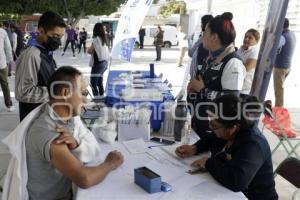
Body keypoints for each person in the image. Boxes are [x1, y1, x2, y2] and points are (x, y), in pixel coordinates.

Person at [25, 66, 123, 199]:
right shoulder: (51, 133)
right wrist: (109, 164)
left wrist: (77, 144)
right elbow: (85, 179)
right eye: (83, 93)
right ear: (65, 93)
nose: (86, 100)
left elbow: (92, 143)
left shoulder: (68, 116)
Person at [175, 94, 278, 200]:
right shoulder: (228, 130)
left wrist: (208, 163)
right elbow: (211, 138)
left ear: (233, 128)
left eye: (214, 125)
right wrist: (195, 148)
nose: (210, 127)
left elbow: (237, 181)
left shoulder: (253, 145)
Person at [187, 14, 245, 138]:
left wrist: (202, 89)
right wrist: (193, 89)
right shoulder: (213, 57)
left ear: (214, 37)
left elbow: (231, 101)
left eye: (205, 32)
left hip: (215, 132)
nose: (202, 36)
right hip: (201, 123)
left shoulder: (233, 63)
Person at [15, 11, 66, 121]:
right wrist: (56, 93)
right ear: (41, 31)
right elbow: (23, 93)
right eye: (55, 36)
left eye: (60, 37)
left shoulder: (46, 52)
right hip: (35, 121)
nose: (58, 41)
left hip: (46, 117)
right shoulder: (31, 55)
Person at [273, 18, 296, 107]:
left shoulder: (282, 37)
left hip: (280, 67)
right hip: (287, 66)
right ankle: (279, 109)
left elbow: (274, 47)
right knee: (280, 88)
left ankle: (278, 110)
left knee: (278, 90)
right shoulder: (292, 34)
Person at [87, 22, 109, 97]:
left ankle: (97, 101)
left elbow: (89, 51)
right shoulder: (104, 39)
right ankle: (102, 98)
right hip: (104, 63)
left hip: (98, 64)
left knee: (93, 84)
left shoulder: (96, 39)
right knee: (99, 83)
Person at [237, 29, 260, 94]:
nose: (246, 39)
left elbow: (246, 68)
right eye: (245, 37)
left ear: (256, 41)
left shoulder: (255, 51)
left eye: (250, 38)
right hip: (235, 85)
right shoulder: (240, 49)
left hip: (245, 89)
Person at [0, 23, 15, 112]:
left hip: (1, 63)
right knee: (5, 84)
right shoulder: (2, 32)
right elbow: (8, 48)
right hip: (1, 64)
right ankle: (9, 105)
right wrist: (10, 62)